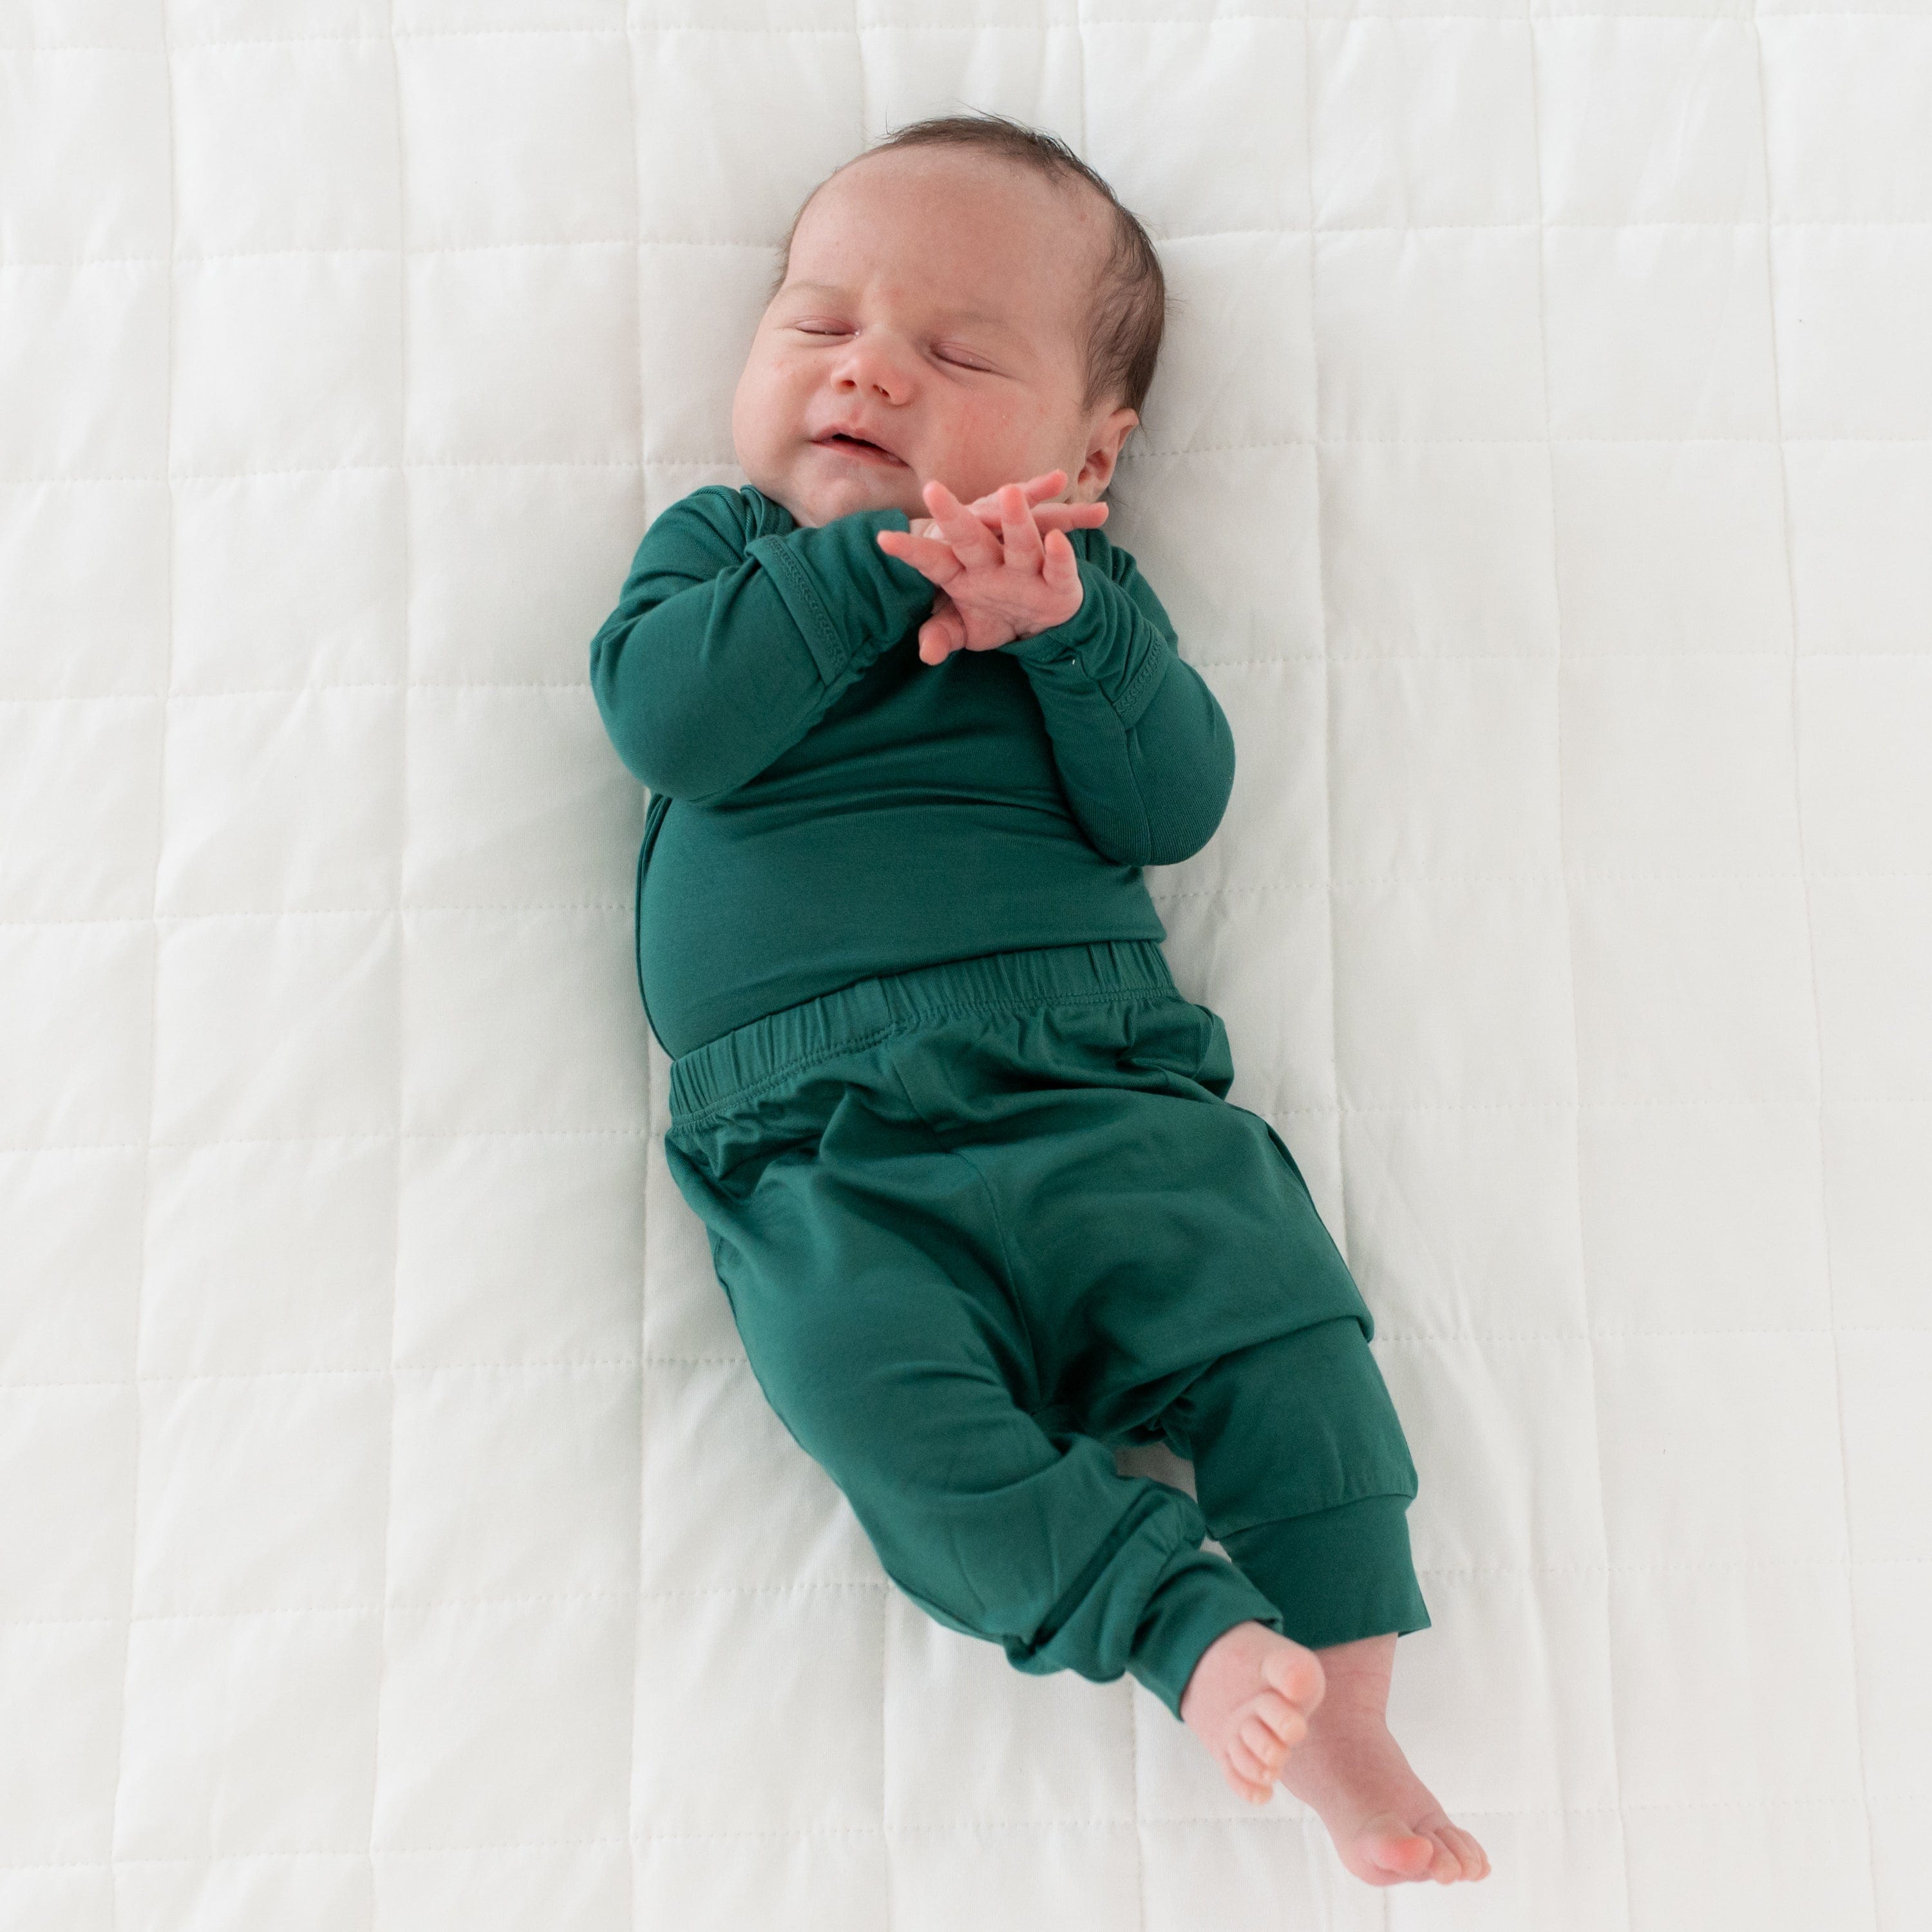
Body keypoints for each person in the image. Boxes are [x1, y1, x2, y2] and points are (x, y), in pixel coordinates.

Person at [589, 110, 1490, 1890]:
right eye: (819, 322)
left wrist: (1071, 634)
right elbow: (670, 723)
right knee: (888, 1422)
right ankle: (1183, 1630)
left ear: (1097, 441)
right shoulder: (719, 553)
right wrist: (866, 563)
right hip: (820, 1155)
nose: (870, 371)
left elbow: (1172, 805)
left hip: (1103, 1088)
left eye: (958, 352)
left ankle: (1354, 1704)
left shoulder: (1090, 603)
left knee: (1283, 1327)